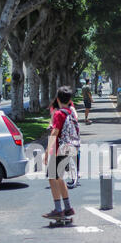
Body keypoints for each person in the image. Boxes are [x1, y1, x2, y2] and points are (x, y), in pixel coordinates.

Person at [43, 86, 79, 219]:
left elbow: (55, 132)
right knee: (59, 177)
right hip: (69, 148)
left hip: (59, 149)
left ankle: (58, 209)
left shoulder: (59, 114)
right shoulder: (70, 112)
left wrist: (47, 151)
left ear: (57, 99)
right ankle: (68, 207)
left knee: (53, 178)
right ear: (70, 99)